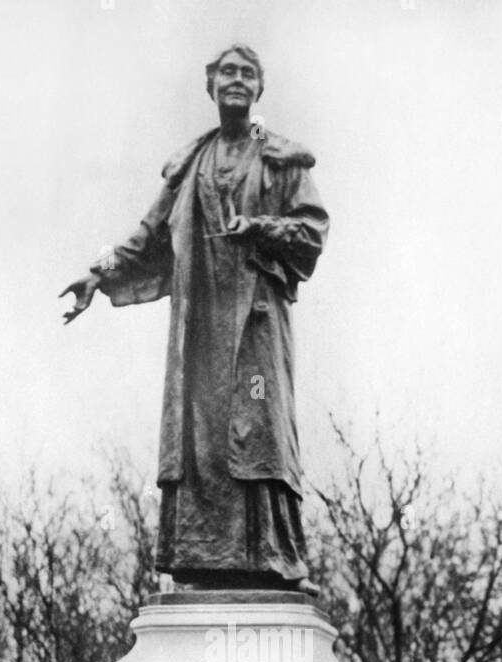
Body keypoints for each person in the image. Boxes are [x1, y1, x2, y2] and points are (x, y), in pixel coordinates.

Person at [61, 44, 329, 592]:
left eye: (247, 73)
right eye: (227, 72)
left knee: (258, 431)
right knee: (200, 437)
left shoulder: (281, 159)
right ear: (210, 87)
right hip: (200, 326)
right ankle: (200, 556)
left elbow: (311, 233)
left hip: (254, 323)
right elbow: (149, 233)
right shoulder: (189, 166)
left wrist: (257, 226)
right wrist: (100, 270)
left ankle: (274, 559)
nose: (236, 80)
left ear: (259, 89)